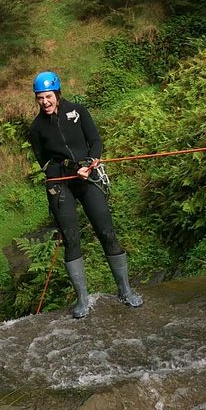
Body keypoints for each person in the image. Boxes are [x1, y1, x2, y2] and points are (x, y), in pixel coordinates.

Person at [28, 70, 143, 318]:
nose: (44, 102)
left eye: (48, 96)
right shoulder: (36, 128)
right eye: (39, 98)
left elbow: (95, 141)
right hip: (60, 185)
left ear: (57, 94)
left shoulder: (78, 111)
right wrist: (71, 167)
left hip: (87, 178)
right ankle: (82, 300)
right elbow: (46, 164)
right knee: (71, 239)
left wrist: (90, 162)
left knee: (106, 232)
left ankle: (125, 290)